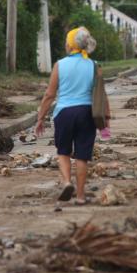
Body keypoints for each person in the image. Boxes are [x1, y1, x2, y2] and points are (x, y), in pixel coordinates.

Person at [35, 27, 105, 205]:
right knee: (82, 156)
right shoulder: (94, 65)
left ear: (71, 44)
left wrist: (40, 117)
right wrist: (106, 123)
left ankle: (67, 182)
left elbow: (50, 95)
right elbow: (100, 95)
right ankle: (80, 196)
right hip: (86, 113)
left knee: (63, 152)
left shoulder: (60, 64)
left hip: (64, 113)